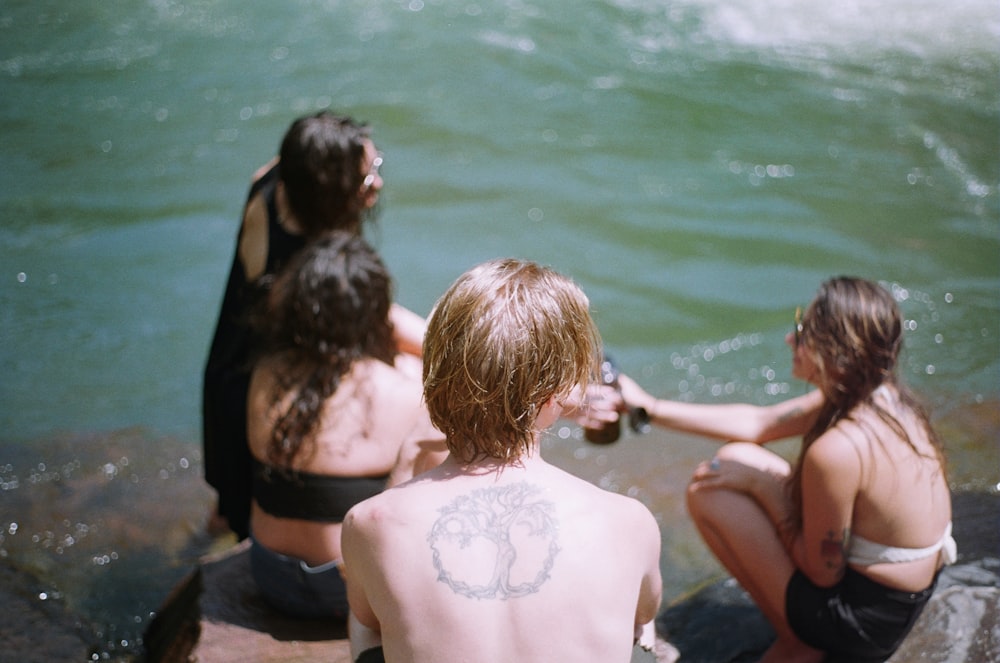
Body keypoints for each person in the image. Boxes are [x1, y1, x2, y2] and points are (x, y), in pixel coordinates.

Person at [617, 276, 954, 663]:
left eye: (802, 331)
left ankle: (799, 644)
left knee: (711, 490)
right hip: (903, 595)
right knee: (735, 459)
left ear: (835, 353)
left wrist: (765, 488)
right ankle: (798, 631)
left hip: (863, 621)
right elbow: (758, 424)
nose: (789, 340)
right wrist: (648, 407)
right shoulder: (881, 396)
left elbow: (822, 572)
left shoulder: (838, 451)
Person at [341, 259, 663, 663]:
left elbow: (372, 616)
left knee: (366, 626)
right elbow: (644, 611)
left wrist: (409, 458)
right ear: (560, 393)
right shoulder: (629, 521)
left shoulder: (369, 522)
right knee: (642, 629)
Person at [202, 111, 424, 539]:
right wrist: (458, 346)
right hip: (252, 385)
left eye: (375, 167)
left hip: (228, 368)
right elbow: (382, 321)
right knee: (243, 511)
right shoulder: (305, 263)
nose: (376, 184)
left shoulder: (277, 180)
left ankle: (200, 548)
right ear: (329, 191)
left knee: (229, 507)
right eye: (364, 180)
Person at [246, 232, 446, 619]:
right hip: (348, 593)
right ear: (377, 310)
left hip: (269, 573)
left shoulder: (266, 374)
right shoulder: (406, 391)